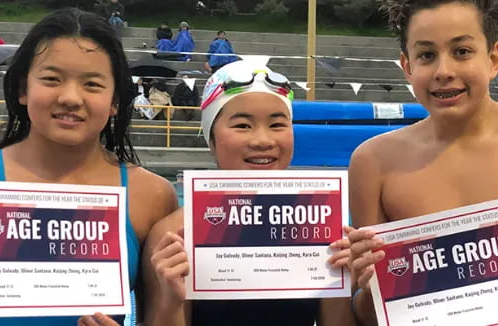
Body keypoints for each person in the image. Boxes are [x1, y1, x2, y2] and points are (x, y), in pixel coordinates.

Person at [0, 8, 182, 325]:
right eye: (52, 79)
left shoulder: (150, 196)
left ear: (114, 102)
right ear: (23, 89)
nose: (70, 97)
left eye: (92, 84)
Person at [145, 60, 354, 326]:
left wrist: (347, 281)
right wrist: (170, 300)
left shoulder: (320, 225)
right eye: (242, 126)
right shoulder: (174, 236)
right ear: (211, 139)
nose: (262, 141)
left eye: (277, 125)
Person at [346, 1, 498, 325]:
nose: (444, 71)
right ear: (407, 67)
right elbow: (367, 316)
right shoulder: (374, 162)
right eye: (426, 55)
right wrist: (371, 287)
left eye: (462, 51)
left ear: (493, 59)